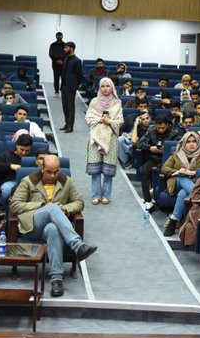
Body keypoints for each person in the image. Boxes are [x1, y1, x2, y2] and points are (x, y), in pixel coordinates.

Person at [8, 155, 97, 298]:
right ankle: (77, 245)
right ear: (41, 168)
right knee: (52, 208)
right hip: (32, 226)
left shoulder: (66, 182)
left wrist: (65, 209)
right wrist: (42, 205)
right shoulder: (29, 181)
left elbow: (79, 202)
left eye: (56, 172)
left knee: (53, 229)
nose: (53, 176)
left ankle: (56, 280)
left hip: (51, 228)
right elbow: (15, 205)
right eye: (49, 172)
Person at [159, 131, 200, 236]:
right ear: (184, 143)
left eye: (194, 141)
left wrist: (194, 172)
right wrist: (179, 171)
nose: (191, 144)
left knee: (183, 194)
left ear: (198, 143)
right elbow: (164, 168)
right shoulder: (176, 155)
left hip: (196, 183)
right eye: (188, 142)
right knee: (182, 177)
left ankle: (173, 220)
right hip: (177, 182)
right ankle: (197, 195)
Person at [85, 77, 122, 206]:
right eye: (102, 86)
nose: (105, 89)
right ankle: (95, 195)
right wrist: (100, 120)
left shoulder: (117, 102)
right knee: (95, 168)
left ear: (112, 87)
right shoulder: (94, 101)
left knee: (108, 169)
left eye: (108, 86)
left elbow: (120, 121)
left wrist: (109, 121)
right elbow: (88, 117)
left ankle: (106, 195)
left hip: (111, 138)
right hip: (95, 137)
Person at [134, 114, 179, 206]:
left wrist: (167, 149)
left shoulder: (175, 132)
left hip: (170, 160)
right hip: (154, 158)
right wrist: (150, 148)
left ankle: (160, 198)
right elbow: (140, 143)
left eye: (163, 128)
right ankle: (147, 200)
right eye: (159, 128)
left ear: (167, 125)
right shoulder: (151, 130)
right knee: (144, 171)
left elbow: (179, 147)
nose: (160, 130)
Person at [0, 132, 33, 201]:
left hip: (29, 181)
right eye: (22, 149)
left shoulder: (33, 157)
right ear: (17, 145)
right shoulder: (6, 155)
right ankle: (1, 206)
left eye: (27, 151)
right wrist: (10, 166)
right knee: (6, 191)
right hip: (11, 181)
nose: (24, 153)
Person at [59, 41, 84, 131]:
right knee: (64, 106)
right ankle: (66, 123)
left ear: (72, 48)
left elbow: (79, 75)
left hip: (71, 87)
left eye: (66, 47)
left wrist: (76, 85)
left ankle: (70, 126)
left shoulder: (77, 61)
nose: (64, 49)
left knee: (70, 107)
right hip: (64, 86)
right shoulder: (66, 59)